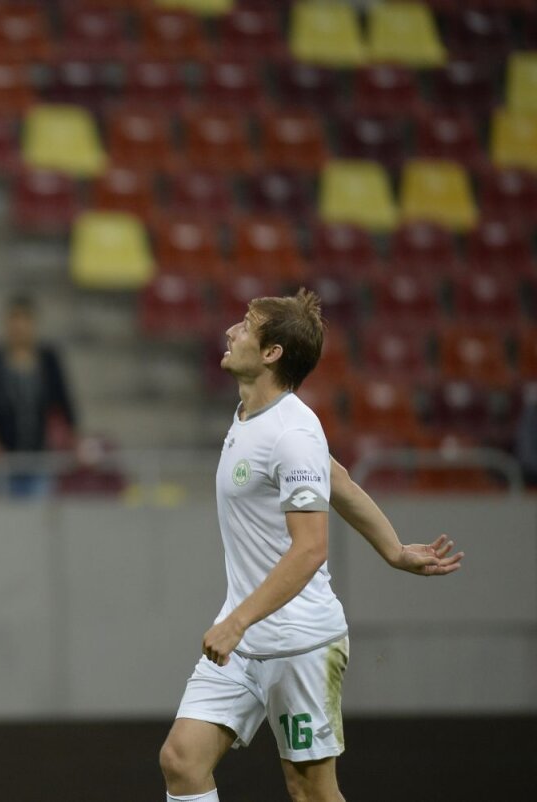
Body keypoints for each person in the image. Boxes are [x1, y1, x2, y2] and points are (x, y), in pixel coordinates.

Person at [159, 289, 464, 802]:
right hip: (248, 639)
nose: (231, 331)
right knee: (182, 761)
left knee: (310, 793)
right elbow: (338, 478)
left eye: (246, 325)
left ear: (272, 352)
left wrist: (236, 622)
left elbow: (309, 549)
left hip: (299, 643)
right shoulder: (250, 416)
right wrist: (392, 550)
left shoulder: (292, 431)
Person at [0, 294, 78, 496]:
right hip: (4, 460)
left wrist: (74, 439)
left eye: (25, 320)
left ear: (34, 324)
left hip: (39, 458)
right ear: (7, 323)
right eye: (15, 319)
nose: (19, 326)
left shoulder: (48, 360)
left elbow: (65, 404)